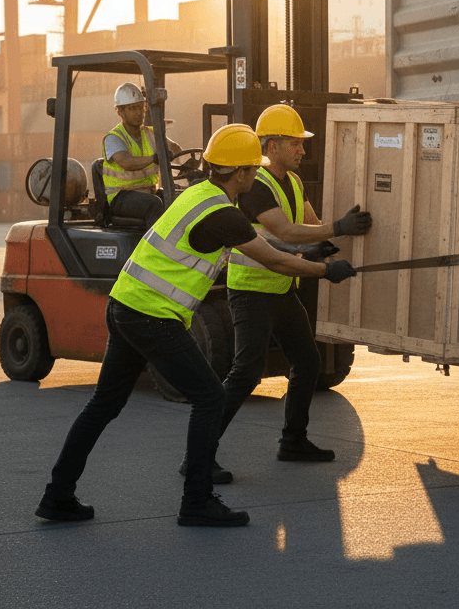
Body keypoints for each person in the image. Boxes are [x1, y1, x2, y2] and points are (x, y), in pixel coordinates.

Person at [34, 123, 358, 528]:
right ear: (239, 174)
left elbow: (253, 248)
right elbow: (270, 260)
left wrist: (302, 251)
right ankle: (197, 500)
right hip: (153, 316)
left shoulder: (199, 196)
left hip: (124, 305)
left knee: (103, 405)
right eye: (251, 170)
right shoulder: (222, 212)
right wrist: (324, 269)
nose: (255, 175)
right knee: (209, 398)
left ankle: (57, 495)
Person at [214, 103, 372, 466]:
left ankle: (293, 440)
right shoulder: (256, 185)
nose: (303, 150)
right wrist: (338, 228)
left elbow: (313, 229)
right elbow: (284, 231)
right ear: (271, 147)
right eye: (295, 143)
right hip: (251, 292)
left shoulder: (296, 182)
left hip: (282, 290)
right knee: (245, 374)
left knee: (307, 360)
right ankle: (200, 452)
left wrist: (337, 249)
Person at [100, 82, 181, 231]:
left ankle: (177, 247)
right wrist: (155, 158)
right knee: (154, 204)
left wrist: (186, 161)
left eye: (140, 107)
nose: (139, 113)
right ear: (120, 112)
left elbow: (175, 149)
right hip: (121, 198)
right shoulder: (114, 138)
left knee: (179, 198)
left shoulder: (150, 133)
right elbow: (126, 162)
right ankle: (154, 249)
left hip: (148, 192)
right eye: (132, 108)